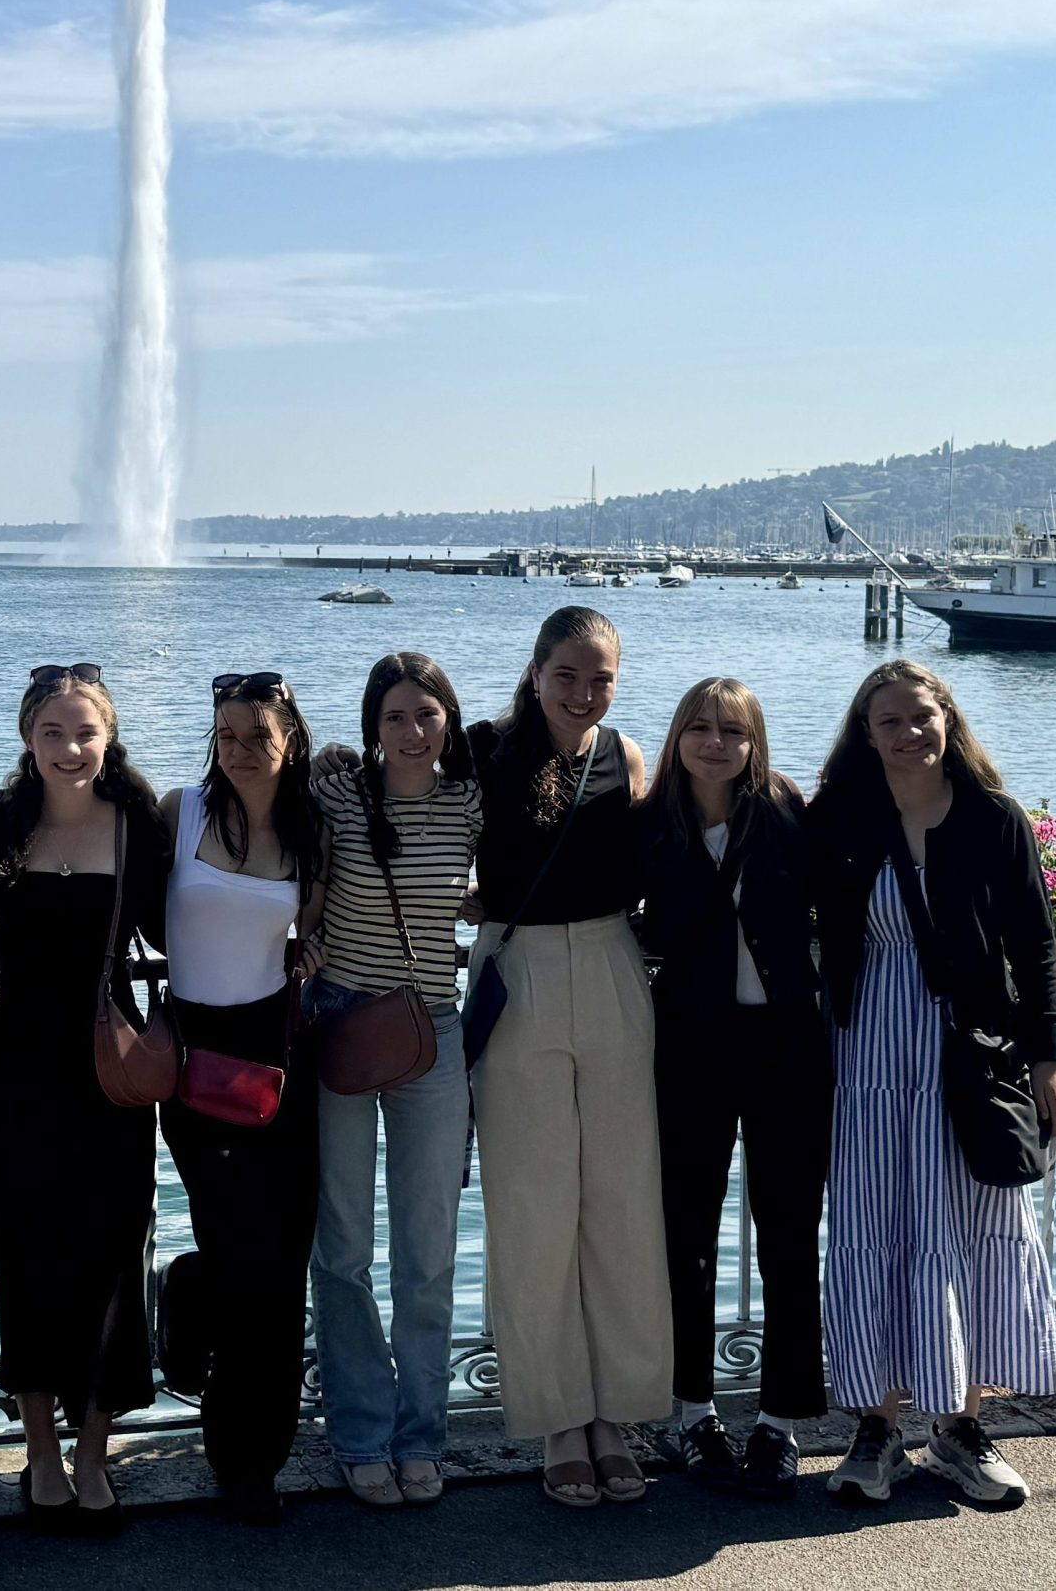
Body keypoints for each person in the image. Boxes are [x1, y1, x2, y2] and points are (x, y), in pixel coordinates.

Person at [808, 659, 1056, 1508]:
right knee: (873, 1224)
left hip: (967, 1052)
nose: (908, 732)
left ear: (948, 719)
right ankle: (877, 1429)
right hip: (867, 1053)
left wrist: (1050, 1057)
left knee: (966, 1226)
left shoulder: (994, 818)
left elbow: (1034, 944)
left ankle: (960, 1426)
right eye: (889, 721)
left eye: (921, 716)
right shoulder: (842, 816)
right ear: (866, 733)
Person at [464, 605, 670, 1507]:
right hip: (522, 971)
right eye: (568, 674)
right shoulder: (478, 750)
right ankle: (556, 1419)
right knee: (533, 1203)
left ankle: (617, 1416)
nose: (584, 692)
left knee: (624, 1199)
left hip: (616, 962)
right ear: (537, 668)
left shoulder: (625, 755)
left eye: (602, 677)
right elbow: (408, 827)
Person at [0, 663, 168, 1537]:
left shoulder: (137, 825)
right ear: (27, 736)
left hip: (108, 1066)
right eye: (52, 731)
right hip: (16, 1066)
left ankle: (94, 1451)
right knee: (27, 1255)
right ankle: (41, 1450)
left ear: (109, 736)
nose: (70, 748)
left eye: (85, 732)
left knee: (112, 1255)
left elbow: (178, 932)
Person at [635, 678, 827, 1500]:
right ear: (678, 735)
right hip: (690, 1043)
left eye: (734, 730)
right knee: (688, 1234)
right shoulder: (650, 823)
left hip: (787, 1041)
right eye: (701, 727)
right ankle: (693, 1411)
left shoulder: (785, 809)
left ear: (755, 742)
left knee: (788, 1235)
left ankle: (781, 1422)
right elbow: (600, 901)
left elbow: (841, 901)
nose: (716, 742)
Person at [298, 653, 481, 1510]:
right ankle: (360, 1431)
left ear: (449, 719)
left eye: (428, 715)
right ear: (372, 721)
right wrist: (300, 939)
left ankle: (422, 1435)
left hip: (431, 1030)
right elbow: (269, 834)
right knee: (341, 1246)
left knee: (428, 1249)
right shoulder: (336, 792)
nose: (413, 732)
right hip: (339, 1020)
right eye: (397, 715)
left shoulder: (469, 803)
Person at [157, 670, 321, 1526]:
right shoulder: (179, 811)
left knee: (282, 1261)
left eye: (257, 734)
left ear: (288, 736)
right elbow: (127, 914)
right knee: (237, 1251)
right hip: (196, 1064)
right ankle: (228, 1438)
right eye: (226, 734)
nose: (240, 750)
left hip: (281, 1063)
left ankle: (262, 1457)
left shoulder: (310, 825)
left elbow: (321, 929)